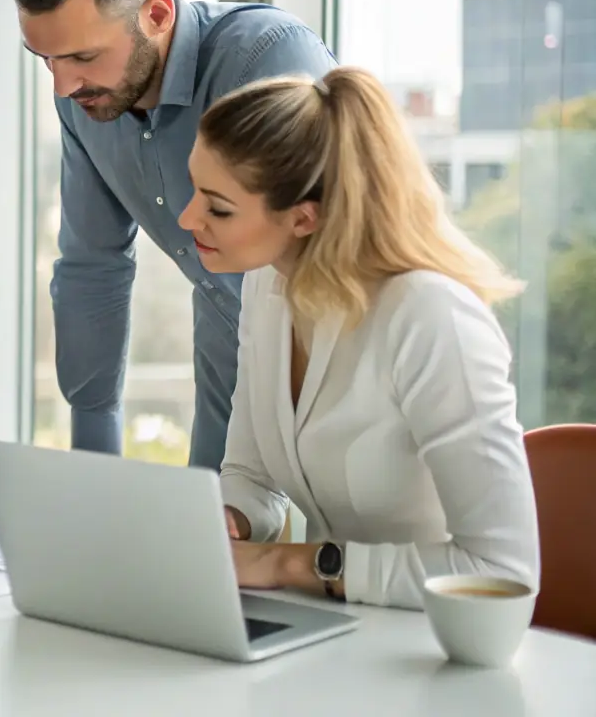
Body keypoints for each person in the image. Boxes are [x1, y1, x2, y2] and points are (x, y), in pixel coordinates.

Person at [177, 67, 539, 609]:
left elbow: (500, 570)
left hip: (433, 648)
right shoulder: (268, 287)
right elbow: (252, 474)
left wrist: (285, 564)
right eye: (194, 191)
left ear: (304, 218)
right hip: (337, 635)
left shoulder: (430, 318)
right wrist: (227, 519)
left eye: (218, 207)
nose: (187, 218)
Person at [8, 0, 336, 467]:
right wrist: (93, 464)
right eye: (46, 59)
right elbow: (91, 269)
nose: (63, 86)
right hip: (225, 345)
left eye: (83, 56)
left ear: (157, 14)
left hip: (330, 355)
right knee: (215, 536)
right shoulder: (83, 102)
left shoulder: (265, 57)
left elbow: (324, 243)